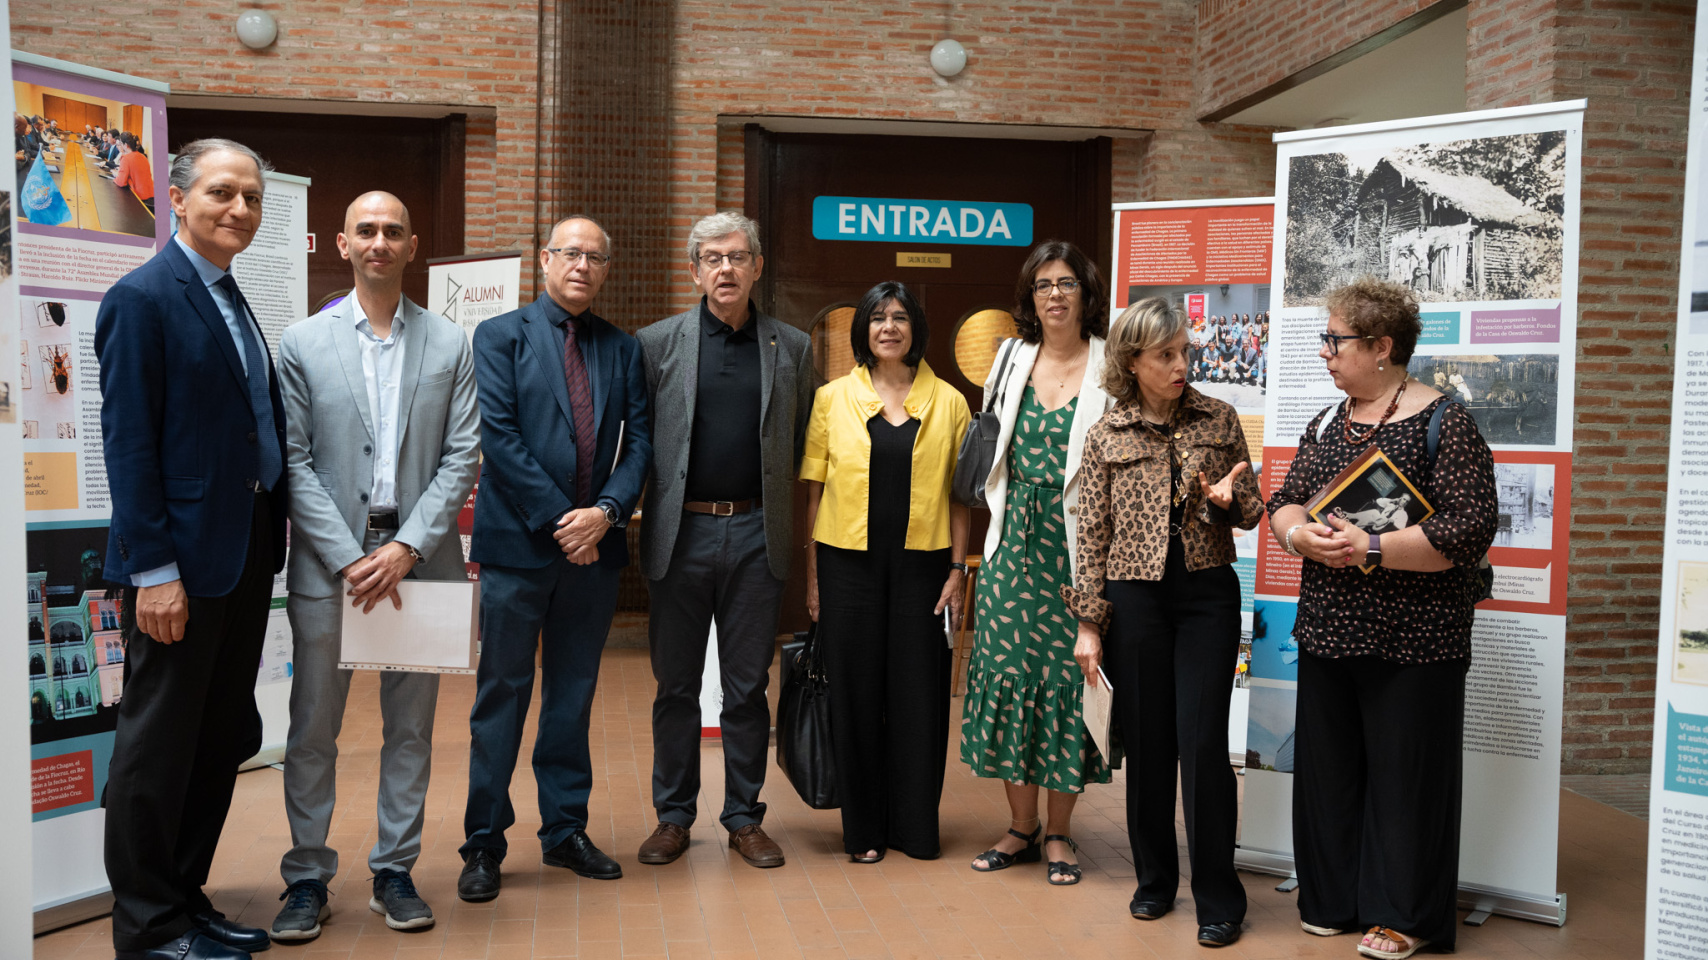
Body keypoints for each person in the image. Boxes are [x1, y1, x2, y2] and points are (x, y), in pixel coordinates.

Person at [270, 192, 480, 940]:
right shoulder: (301, 342)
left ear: (413, 244)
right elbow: (291, 461)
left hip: (417, 565)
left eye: (394, 230)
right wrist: (354, 556)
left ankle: (394, 869)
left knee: (412, 731)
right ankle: (306, 876)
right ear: (342, 243)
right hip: (332, 570)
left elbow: (462, 457)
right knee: (312, 730)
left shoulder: (451, 344)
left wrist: (403, 548)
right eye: (367, 230)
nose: (380, 242)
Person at [97, 138, 287, 960]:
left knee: (217, 740)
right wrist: (155, 573)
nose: (239, 208)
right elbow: (129, 448)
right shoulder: (144, 298)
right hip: (179, 570)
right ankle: (147, 928)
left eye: (251, 196)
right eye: (222, 192)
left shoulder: (229, 295)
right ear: (176, 198)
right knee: (155, 753)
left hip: (241, 559)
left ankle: (184, 899)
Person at [1266, 278, 1496, 959]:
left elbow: (1468, 529)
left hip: (1417, 642)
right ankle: (1331, 901)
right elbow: (1284, 499)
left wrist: (1370, 546)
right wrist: (1295, 536)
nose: (1325, 353)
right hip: (1330, 631)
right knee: (1330, 773)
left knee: (1407, 781)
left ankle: (1406, 916)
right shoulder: (1326, 423)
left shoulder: (1443, 423)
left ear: (1382, 346)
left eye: (1336, 341)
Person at [457, 214, 652, 902]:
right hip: (519, 549)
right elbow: (499, 437)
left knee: (572, 697)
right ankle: (483, 842)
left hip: (592, 555)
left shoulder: (621, 348)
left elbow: (639, 446)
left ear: (605, 270)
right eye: (570, 253)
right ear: (545, 260)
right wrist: (559, 519)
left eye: (594, 257)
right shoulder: (500, 336)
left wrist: (604, 514)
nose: (581, 266)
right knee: (500, 698)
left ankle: (565, 830)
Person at [1063, 297, 1260, 949]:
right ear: (1132, 362)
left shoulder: (1219, 417)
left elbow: (1252, 508)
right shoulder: (1107, 433)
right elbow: (1089, 532)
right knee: (1147, 747)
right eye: (1166, 355)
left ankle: (1219, 899)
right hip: (1135, 601)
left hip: (1206, 596)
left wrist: (1233, 505)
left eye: (1184, 351)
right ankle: (1153, 882)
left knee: (1202, 746)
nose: (1182, 364)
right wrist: (1089, 624)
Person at [634, 211, 816, 869]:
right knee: (675, 686)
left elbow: (795, 445)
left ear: (757, 266)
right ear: (694, 270)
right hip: (678, 534)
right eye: (712, 258)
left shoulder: (792, 347)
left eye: (738, 256)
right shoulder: (655, 344)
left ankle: (743, 817)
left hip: (754, 532)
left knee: (746, 688)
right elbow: (642, 442)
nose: (726, 269)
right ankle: (673, 818)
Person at [960, 240, 1115, 885]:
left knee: (1067, 686)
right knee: (1010, 676)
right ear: (1030, 296)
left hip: (1077, 546)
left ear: (1085, 293)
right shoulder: (1010, 358)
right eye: (1044, 284)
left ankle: (1059, 834)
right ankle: (1020, 828)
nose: (1055, 294)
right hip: (1011, 546)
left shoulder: (1112, 366)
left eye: (1067, 283)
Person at [802, 280, 970, 863]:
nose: (889, 327)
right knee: (855, 694)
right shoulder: (831, 399)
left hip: (925, 569)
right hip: (847, 566)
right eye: (878, 317)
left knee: (919, 696)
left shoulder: (950, 402)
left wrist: (957, 570)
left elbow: (960, 497)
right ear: (863, 330)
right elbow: (815, 493)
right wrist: (813, 578)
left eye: (900, 317)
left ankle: (915, 826)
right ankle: (864, 830)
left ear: (916, 329)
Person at [113, 132, 155, 213]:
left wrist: (115, 175)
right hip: (151, 197)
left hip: (139, 199)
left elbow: (121, 182)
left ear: (125, 145)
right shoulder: (143, 157)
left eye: (121, 143)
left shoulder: (126, 158)